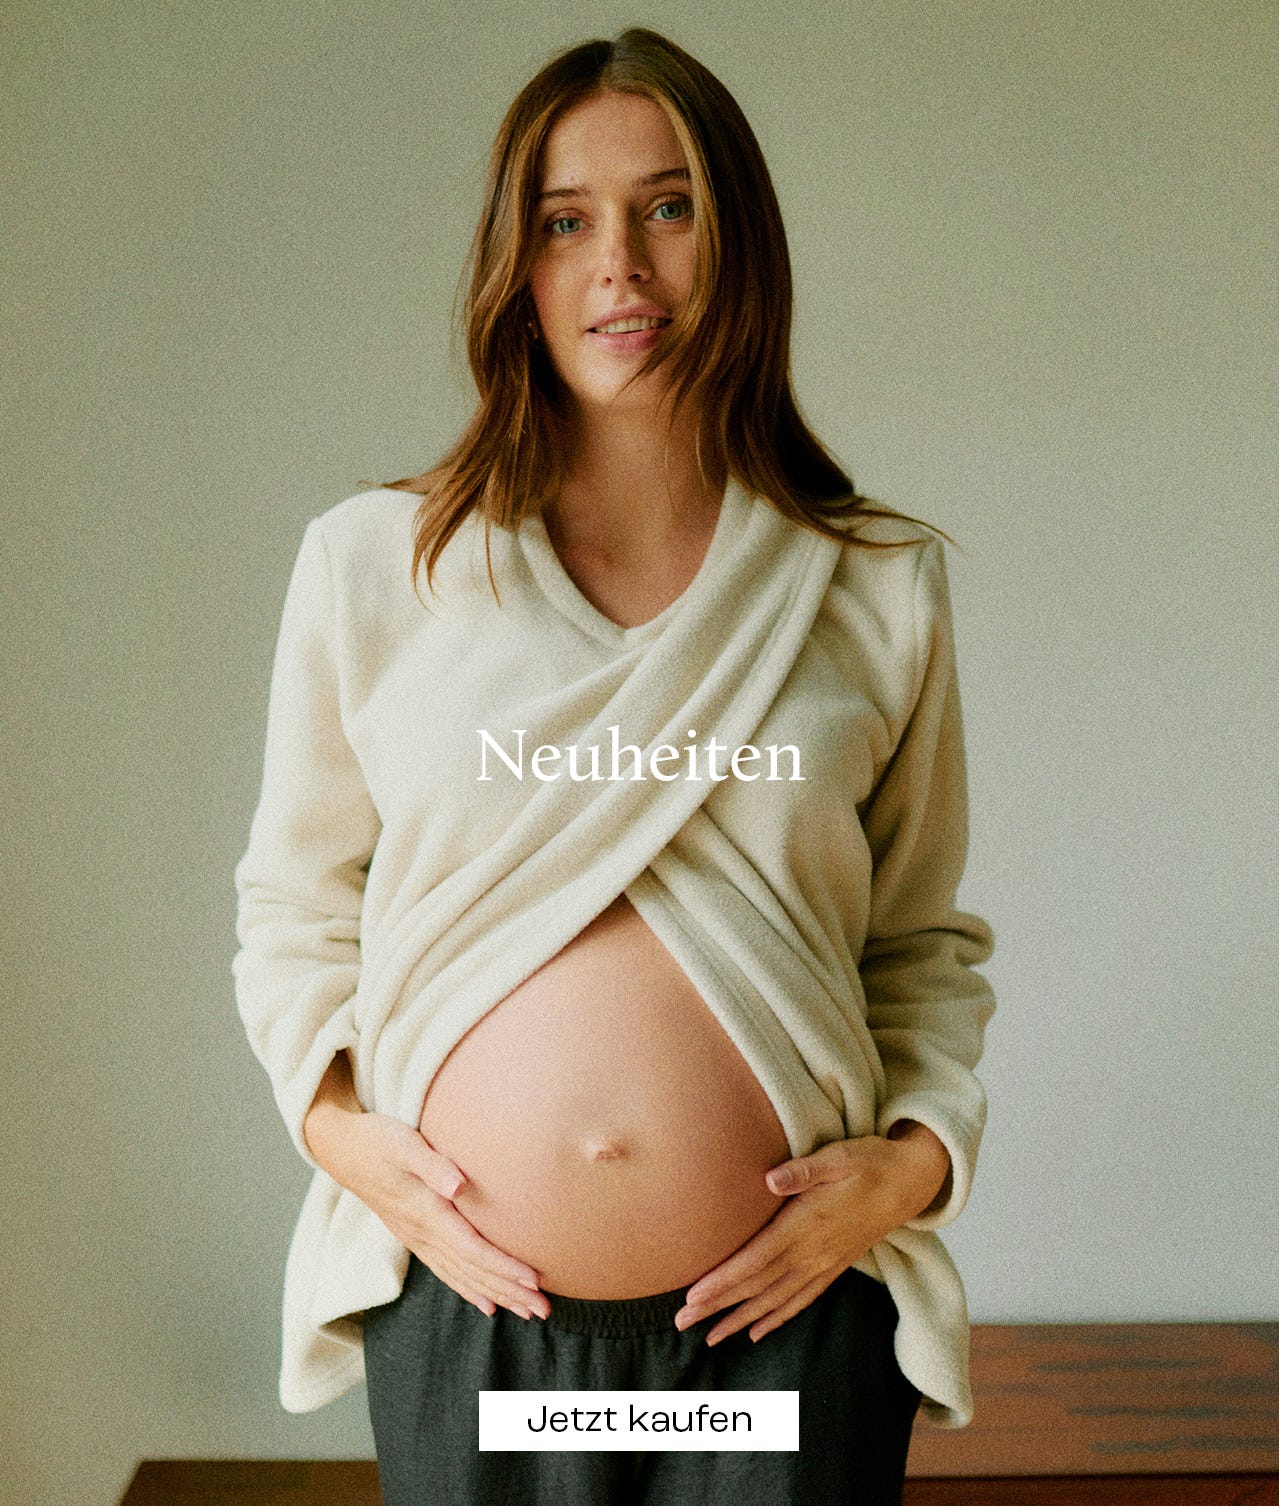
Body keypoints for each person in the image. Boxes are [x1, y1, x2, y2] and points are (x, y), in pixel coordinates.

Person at [232, 25, 996, 1506]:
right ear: (513, 265)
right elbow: (293, 912)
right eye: (565, 221)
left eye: (669, 208)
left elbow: (919, 947)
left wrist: (910, 1169)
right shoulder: (377, 566)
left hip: (785, 1325)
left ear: (739, 239)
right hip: (478, 1320)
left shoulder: (872, 584)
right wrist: (344, 1140)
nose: (621, 269)